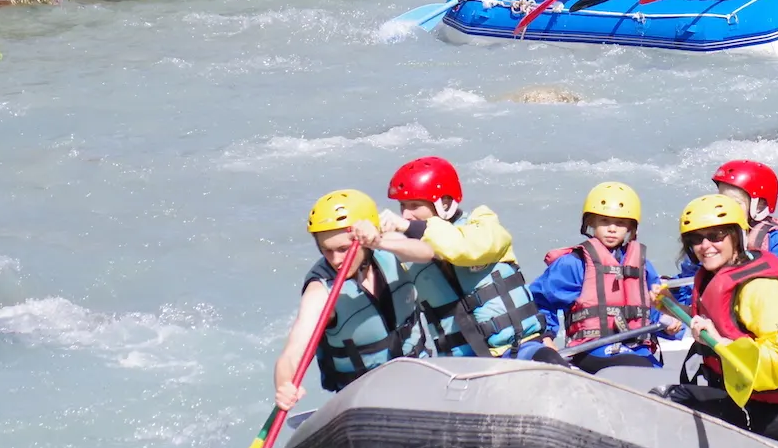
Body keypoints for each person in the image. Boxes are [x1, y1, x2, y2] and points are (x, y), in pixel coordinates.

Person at [656, 194, 778, 445]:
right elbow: (725, 324)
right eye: (696, 239)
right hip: (743, 397)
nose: (705, 246)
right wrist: (667, 304)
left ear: (736, 236)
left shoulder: (760, 288)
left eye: (716, 236)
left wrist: (720, 344)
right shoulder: (718, 275)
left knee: (672, 398)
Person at [369, 156, 560, 362]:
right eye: (402, 206)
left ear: (444, 203)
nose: (406, 215)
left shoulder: (483, 224)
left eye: (414, 205)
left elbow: (462, 248)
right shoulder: (408, 257)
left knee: (549, 359)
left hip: (520, 348)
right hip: (464, 366)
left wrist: (408, 228)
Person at [274, 190, 429, 410]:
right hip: (365, 400)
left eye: (343, 249)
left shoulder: (388, 249)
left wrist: (380, 241)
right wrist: (284, 385)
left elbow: (428, 250)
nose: (336, 260)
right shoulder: (320, 291)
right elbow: (293, 351)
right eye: (327, 251)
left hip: (421, 377)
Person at [531, 181, 684, 373]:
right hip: (593, 350)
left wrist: (667, 324)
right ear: (591, 223)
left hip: (639, 349)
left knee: (664, 380)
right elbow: (540, 301)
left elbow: (649, 308)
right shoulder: (574, 263)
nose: (612, 229)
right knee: (638, 371)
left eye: (620, 223)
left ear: (630, 227)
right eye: (604, 221)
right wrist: (546, 339)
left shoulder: (642, 265)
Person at [673, 160, 778, 303]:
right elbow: (687, 285)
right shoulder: (706, 241)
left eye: (734, 203)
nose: (725, 208)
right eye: (722, 200)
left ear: (759, 206)